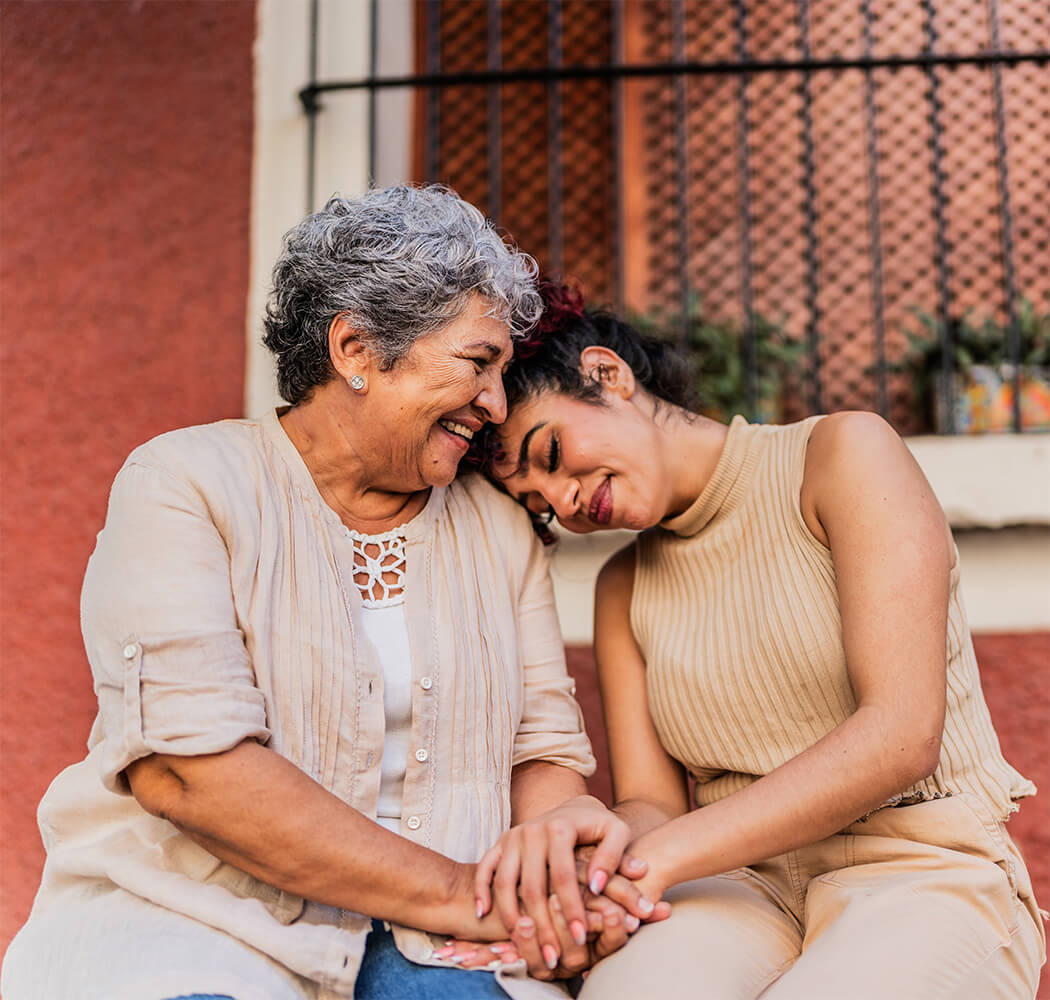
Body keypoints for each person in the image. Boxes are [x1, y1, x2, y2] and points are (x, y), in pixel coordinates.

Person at [0, 189, 658, 1000]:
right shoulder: (186, 484)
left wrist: (555, 865)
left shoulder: (495, 528)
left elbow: (543, 753)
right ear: (356, 349)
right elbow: (189, 772)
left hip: (442, 941)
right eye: (478, 363)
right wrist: (462, 894)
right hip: (201, 916)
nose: (495, 404)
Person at [476, 285, 1046, 998]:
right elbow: (653, 804)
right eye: (535, 502)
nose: (560, 500)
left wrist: (653, 861)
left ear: (607, 374)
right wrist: (597, 876)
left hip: (923, 866)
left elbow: (901, 735)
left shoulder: (840, 455)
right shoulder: (621, 588)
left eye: (552, 453)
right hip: (737, 888)